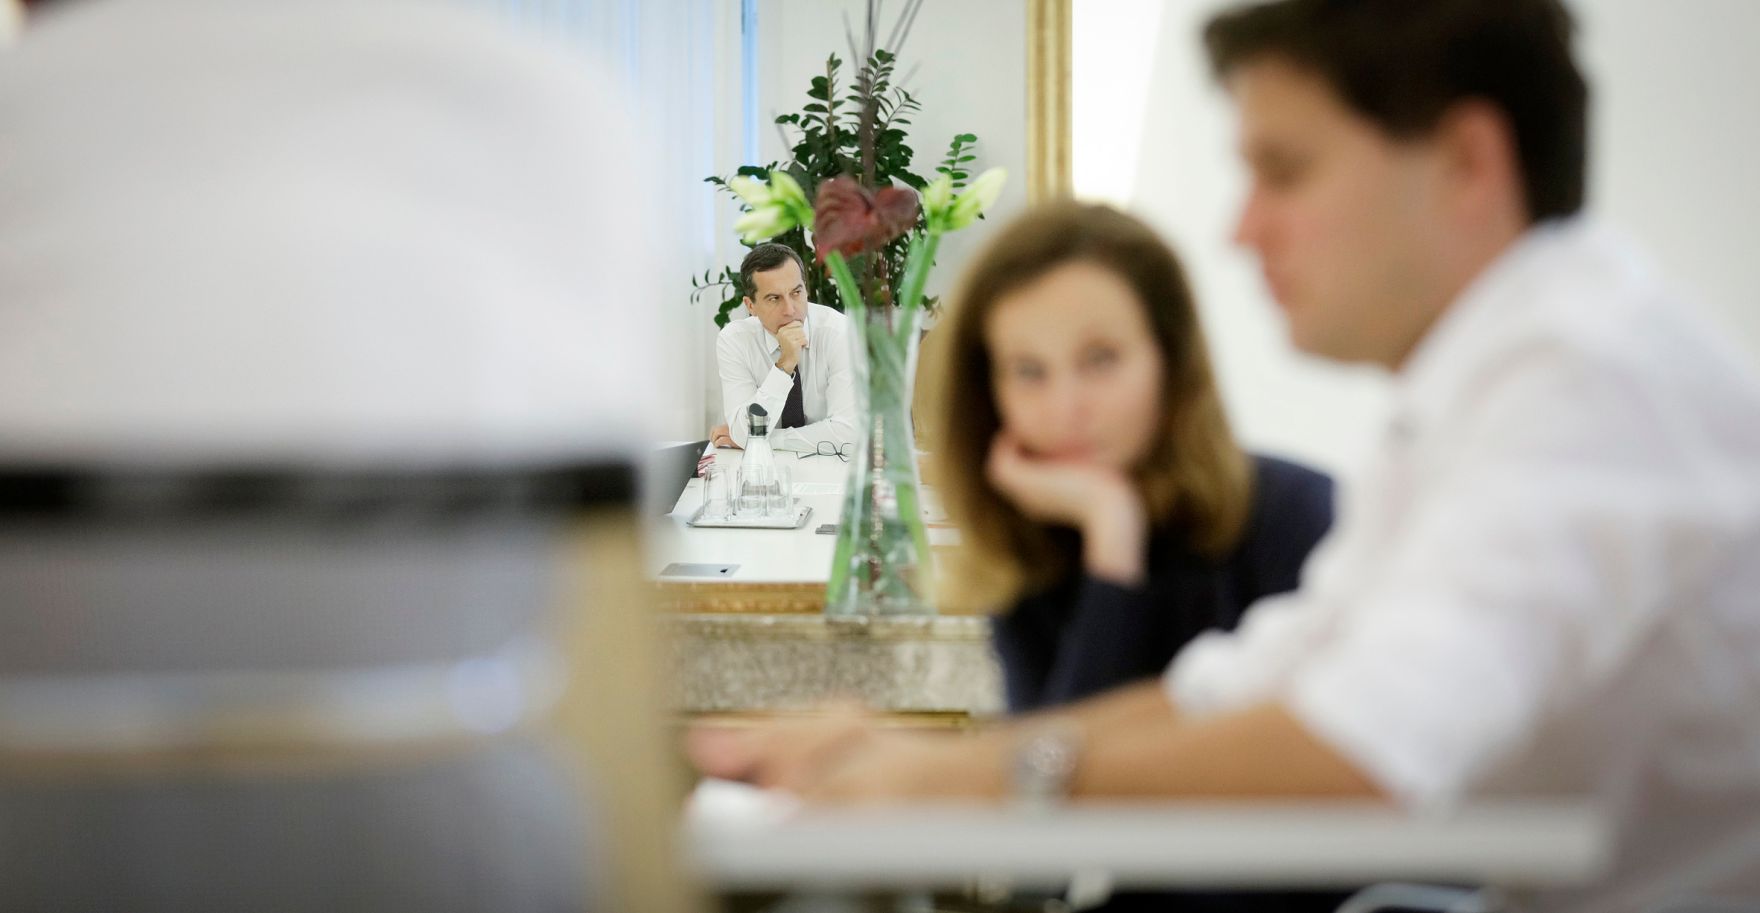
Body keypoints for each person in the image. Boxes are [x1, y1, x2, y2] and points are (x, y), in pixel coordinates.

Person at [689, 1, 1760, 910]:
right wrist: (920, 766)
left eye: (1282, 171)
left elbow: (1356, 752)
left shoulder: (1580, 387)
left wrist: (954, 787)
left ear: (1468, 161)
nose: (1242, 230)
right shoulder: (1467, 403)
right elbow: (1259, 680)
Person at [926, 202, 1333, 715]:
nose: (1066, 408)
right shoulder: (1027, 544)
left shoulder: (1299, 513)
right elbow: (1058, 779)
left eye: (1100, 359)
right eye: (1029, 371)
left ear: (1171, 359)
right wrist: (1112, 536)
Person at [711, 243, 858, 452]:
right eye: (774, 298)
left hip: (832, 472)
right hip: (766, 472)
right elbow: (743, 433)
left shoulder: (840, 333)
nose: (790, 310)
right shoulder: (735, 340)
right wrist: (784, 365)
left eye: (796, 292)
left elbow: (848, 435)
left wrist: (763, 440)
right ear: (750, 306)